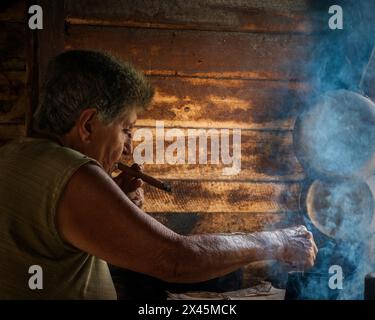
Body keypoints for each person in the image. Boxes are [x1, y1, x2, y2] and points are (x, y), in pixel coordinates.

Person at [0, 50, 317, 299]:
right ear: (87, 125)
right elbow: (175, 259)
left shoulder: (15, 154)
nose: (128, 149)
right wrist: (276, 240)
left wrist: (111, 205)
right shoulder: (73, 171)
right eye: (125, 130)